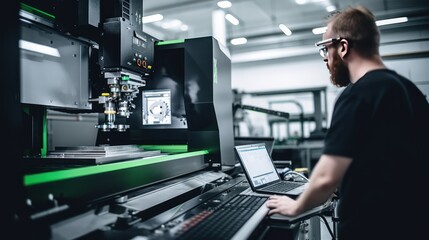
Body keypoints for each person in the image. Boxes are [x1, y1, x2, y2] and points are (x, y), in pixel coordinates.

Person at [265, 5, 429, 240]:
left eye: (325, 49)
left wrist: (295, 206)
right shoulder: (408, 90)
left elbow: (325, 178)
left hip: (374, 229)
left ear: (342, 47)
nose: (325, 59)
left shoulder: (358, 94)